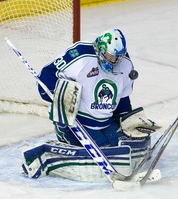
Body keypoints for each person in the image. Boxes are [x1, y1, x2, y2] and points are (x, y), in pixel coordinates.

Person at [21, 28, 161, 181]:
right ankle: (54, 142)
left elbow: (122, 99)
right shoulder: (80, 55)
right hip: (77, 121)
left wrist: (126, 121)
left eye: (118, 58)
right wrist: (63, 93)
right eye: (110, 56)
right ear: (100, 49)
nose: (114, 61)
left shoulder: (125, 64)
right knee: (103, 150)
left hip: (106, 122)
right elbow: (47, 75)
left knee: (122, 147)